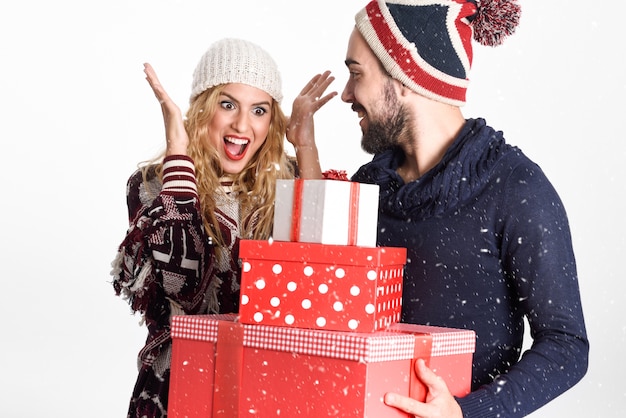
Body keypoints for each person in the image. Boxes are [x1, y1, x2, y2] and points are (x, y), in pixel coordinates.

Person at [307, 1, 589, 417]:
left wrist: (465, 413)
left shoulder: (514, 187)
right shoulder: (368, 185)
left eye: (356, 72)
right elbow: (320, 299)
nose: (347, 94)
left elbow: (567, 346)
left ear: (404, 77)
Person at [110, 38, 335, 417]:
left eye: (259, 110)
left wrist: (307, 146)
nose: (242, 124)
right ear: (202, 109)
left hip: (266, 386)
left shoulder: (287, 184)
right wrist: (178, 157)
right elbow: (182, 283)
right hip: (179, 387)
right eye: (227, 104)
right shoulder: (152, 184)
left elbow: (325, 271)